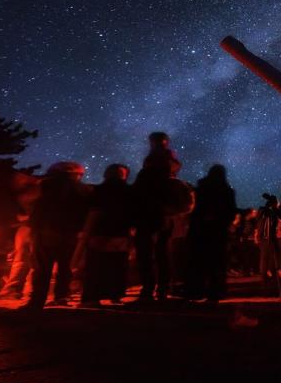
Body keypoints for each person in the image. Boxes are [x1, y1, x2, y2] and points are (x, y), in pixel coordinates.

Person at [24, 162, 91, 309]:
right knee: (65, 267)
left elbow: (31, 204)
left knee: (42, 267)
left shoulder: (44, 185)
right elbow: (87, 212)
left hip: (46, 232)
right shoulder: (84, 189)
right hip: (71, 234)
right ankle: (61, 297)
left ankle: (37, 300)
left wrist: (32, 225)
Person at [133, 132, 188, 302]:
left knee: (145, 254)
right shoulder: (173, 177)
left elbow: (136, 195)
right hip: (165, 219)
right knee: (163, 254)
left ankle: (148, 289)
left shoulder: (146, 174)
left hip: (146, 218)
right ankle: (163, 288)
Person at [80, 164, 133, 307]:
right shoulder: (129, 191)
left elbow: (91, 211)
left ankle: (91, 298)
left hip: (99, 232)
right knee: (118, 265)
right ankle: (115, 295)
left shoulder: (98, 190)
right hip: (120, 233)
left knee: (96, 265)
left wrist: (86, 231)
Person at [186, 165, 237, 301]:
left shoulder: (201, 188)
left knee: (199, 262)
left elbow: (194, 209)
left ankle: (197, 291)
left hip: (200, 231)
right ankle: (215, 293)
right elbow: (231, 212)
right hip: (218, 232)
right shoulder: (227, 191)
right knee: (217, 264)